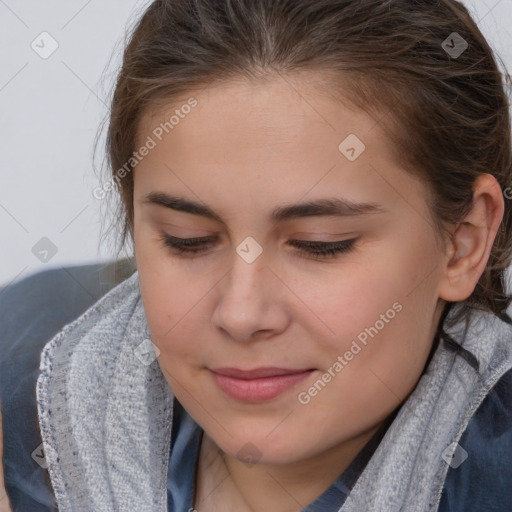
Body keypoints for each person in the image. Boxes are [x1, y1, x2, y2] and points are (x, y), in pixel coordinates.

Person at [2, 0, 512, 510]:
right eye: (187, 239)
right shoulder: (21, 385)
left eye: (321, 245)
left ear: (462, 241)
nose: (241, 314)